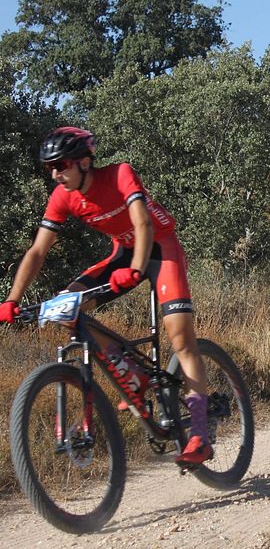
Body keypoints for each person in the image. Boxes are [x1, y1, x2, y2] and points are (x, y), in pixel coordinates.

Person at [0, 126, 213, 466]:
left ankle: (200, 434)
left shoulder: (119, 174)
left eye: (62, 165)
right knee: (66, 305)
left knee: (181, 339)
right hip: (123, 253)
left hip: (160, 250)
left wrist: (137, 268)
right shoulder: (62, 196)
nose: (55, 173)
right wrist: (11, 300)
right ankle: (134, 374)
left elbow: (143, 224)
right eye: (50, 168)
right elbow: (38, 251)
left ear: (85, 162)